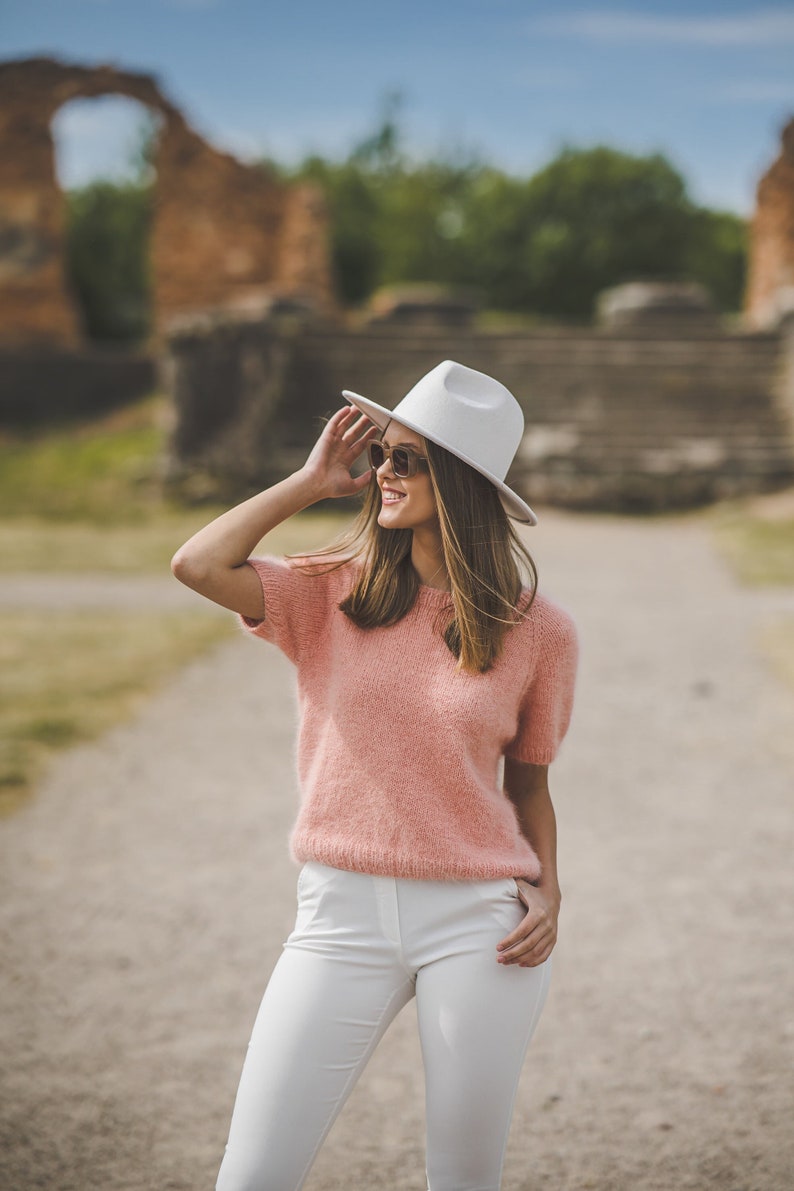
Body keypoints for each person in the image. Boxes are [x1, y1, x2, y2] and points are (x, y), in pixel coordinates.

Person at [171, 359, 579, 1191]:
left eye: (407, 459)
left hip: (481, 922)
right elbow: (196, 564)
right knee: (251, 1177)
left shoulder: (541, 631)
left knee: (463, 1179)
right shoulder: (328, 591)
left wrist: (552, 890)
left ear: (460, 483)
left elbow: (528, 786)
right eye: (382, 454)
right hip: (338, 914)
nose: (382, 473)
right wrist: (308, 480)